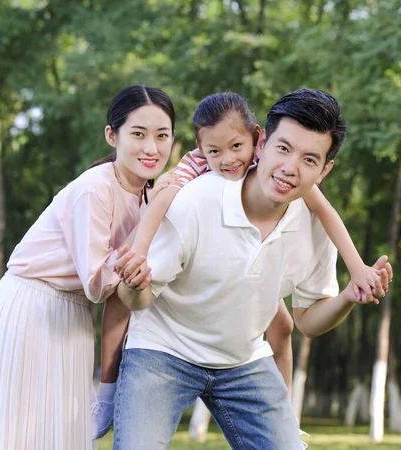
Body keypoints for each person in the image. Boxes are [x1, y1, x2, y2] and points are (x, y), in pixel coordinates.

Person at [91, 92, 382, 439]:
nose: (290, 168)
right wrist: (134, 283)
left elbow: (308, 322)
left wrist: (348, 295)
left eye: (309, 159)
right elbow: (137, 301)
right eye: (283, 149)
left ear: (324, 169)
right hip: (163, 350)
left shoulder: (315, 225)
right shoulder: (196, 199)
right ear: (262, 144)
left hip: (243, 361)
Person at [0, 85, 175, 450]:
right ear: (112, 135)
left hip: (72, 317)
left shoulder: (144, 196)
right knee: (20, 435)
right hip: (31, 308)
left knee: (61, 435)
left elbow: (118, 295)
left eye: (162, 136)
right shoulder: (95, 188)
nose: (151, 148)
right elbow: (96, 282)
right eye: (138, 134)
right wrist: (154, 214)